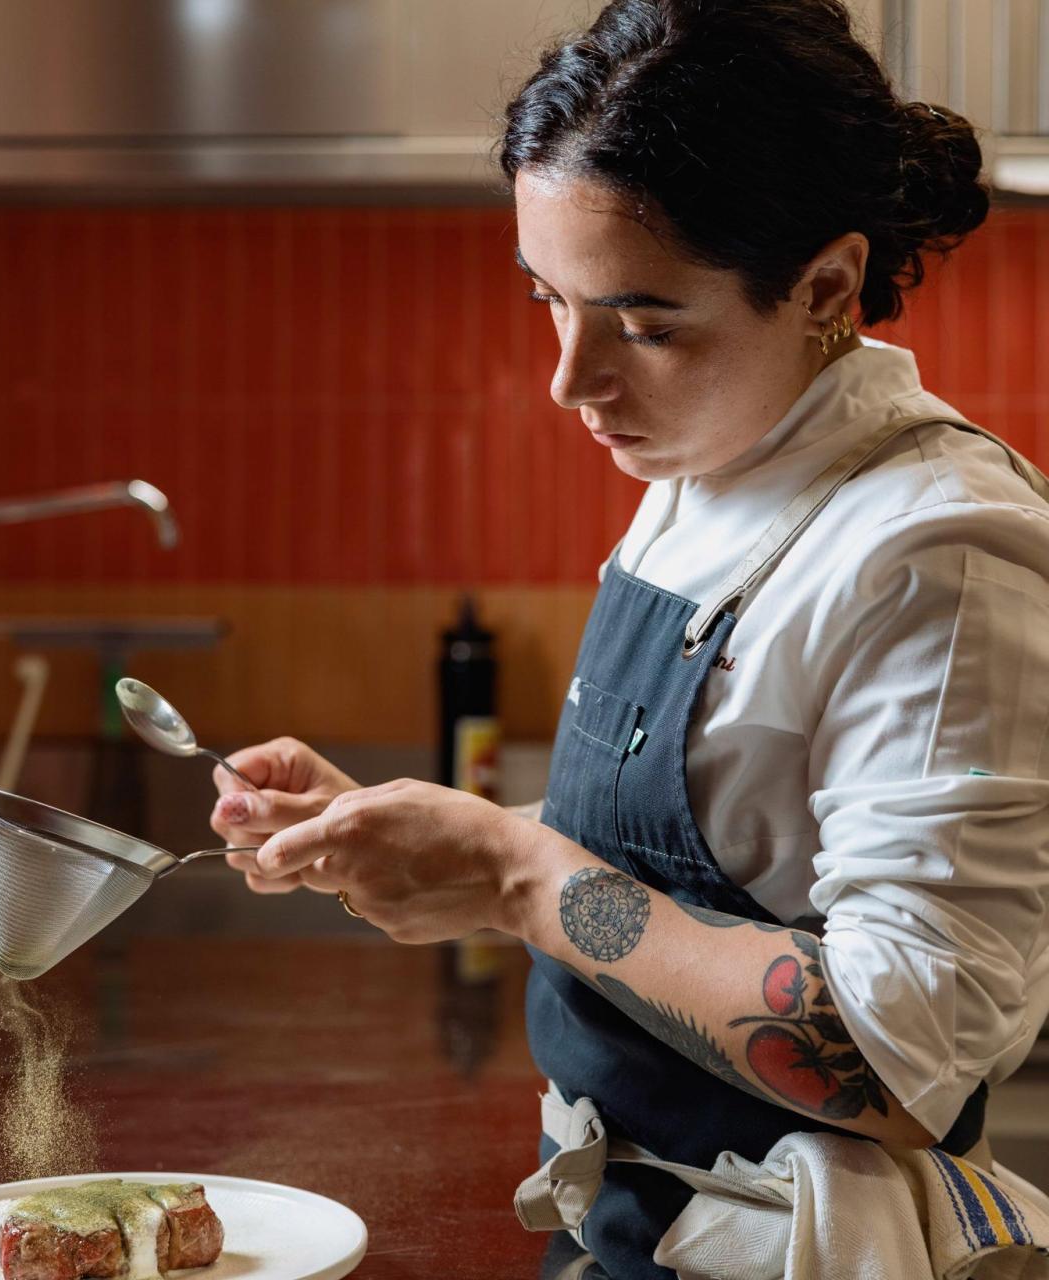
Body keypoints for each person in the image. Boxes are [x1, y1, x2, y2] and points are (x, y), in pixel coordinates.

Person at [209, 2, 1049, 1274]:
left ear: (823, 286)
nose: (572, 377)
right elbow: (725, 844)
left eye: (646, 323)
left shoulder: (936, 554)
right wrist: (428, 839)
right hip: (630, 1225)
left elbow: (896, 1050)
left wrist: (514, 872)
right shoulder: (711, 468)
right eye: (549, 298)